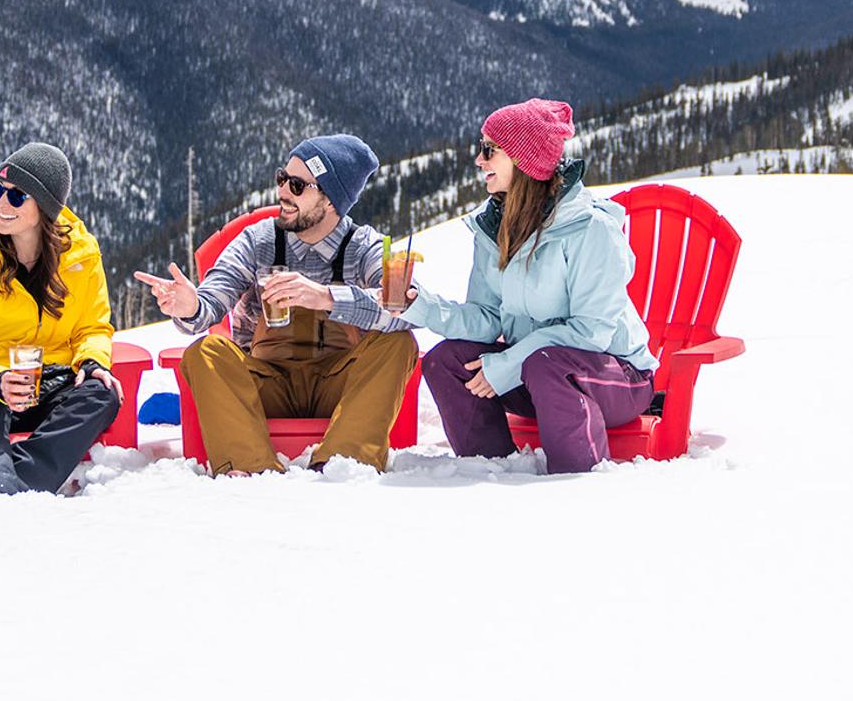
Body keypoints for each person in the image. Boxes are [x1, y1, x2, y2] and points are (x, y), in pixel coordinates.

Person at [135, 135, 418, 475]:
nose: (282, 192)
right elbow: (212, 300)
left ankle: (343, 464)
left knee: (398, 343)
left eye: (297, 185)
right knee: (205, 352)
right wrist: (190, 306)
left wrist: (327, 297)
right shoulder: (259, 240)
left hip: (339, 383)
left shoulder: (364, 246)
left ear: (330, 200)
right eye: (282, 178)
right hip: (268, 381)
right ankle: (252, 468)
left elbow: (407, 307)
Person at [403, 99, 657, 475]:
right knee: (447, 361)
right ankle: (489, 471)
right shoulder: (495, 230)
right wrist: (419, 306)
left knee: (546, 365)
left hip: (616, 378)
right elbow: (488, 318)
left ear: (523, 158)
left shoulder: (590, 230)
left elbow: (593, 332)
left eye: (489, 150)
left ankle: (577, 480)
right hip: (532, 372)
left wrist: (508, 364)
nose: (479, 160)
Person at [0, 143, 124, 496]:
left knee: (102, 393)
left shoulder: (80, 255)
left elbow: (92, 328)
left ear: (45, 205)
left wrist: (93, 361)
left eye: (16, 196)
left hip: (43, 385)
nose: (1, 202)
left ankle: (12, 484)